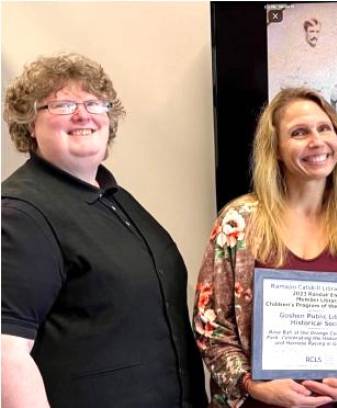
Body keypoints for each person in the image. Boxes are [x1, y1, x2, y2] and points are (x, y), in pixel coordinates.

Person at [1, 53, 206, 407]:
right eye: (63, 105)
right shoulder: (20, 214)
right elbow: (7, 355)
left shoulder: (115, 198)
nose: (83, 114)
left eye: (94, 103)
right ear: (30, 124)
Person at [193, 88, 337, 408]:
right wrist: (252, 385)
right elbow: (211, 325)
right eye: (299, 132)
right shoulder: (239, 223)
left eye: (325, 129)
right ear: (277, 149)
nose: (317, 141)